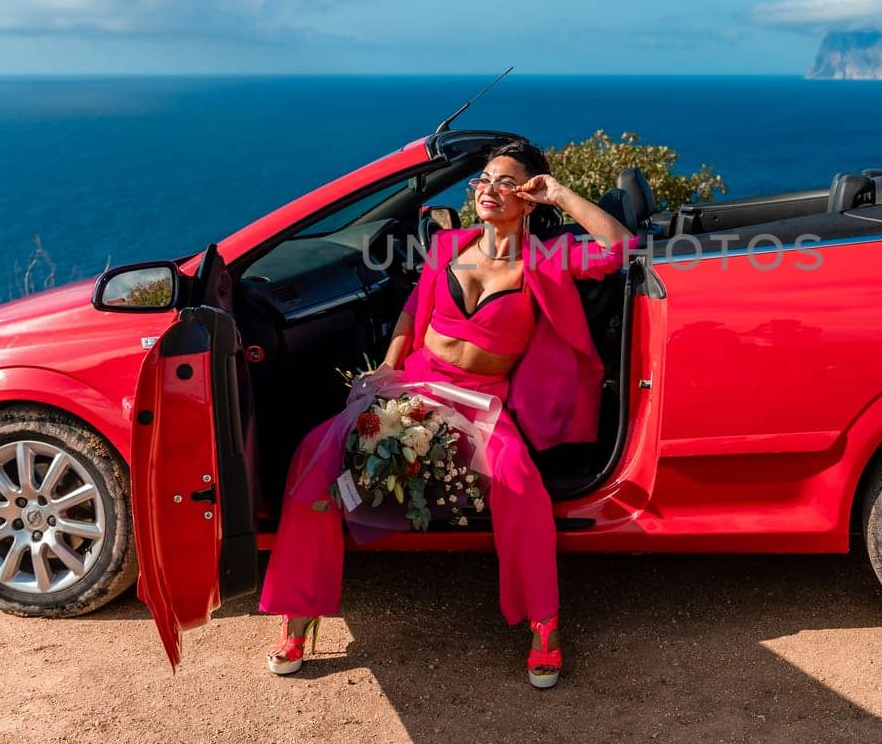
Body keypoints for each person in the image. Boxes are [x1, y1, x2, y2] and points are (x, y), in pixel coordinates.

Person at [258, 139, 637, 687]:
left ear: (528, 196)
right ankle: (297, 617)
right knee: (316, 460)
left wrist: (559, 192)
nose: (488, 188)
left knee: (519, 486)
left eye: (505, 181)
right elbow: (413, 314)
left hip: (483, 402)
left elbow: (621, 247)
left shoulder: (546, 260)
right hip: (413, 384)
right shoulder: (447, 245)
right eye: (483, 178)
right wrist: (385, 370)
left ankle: (544, 628)